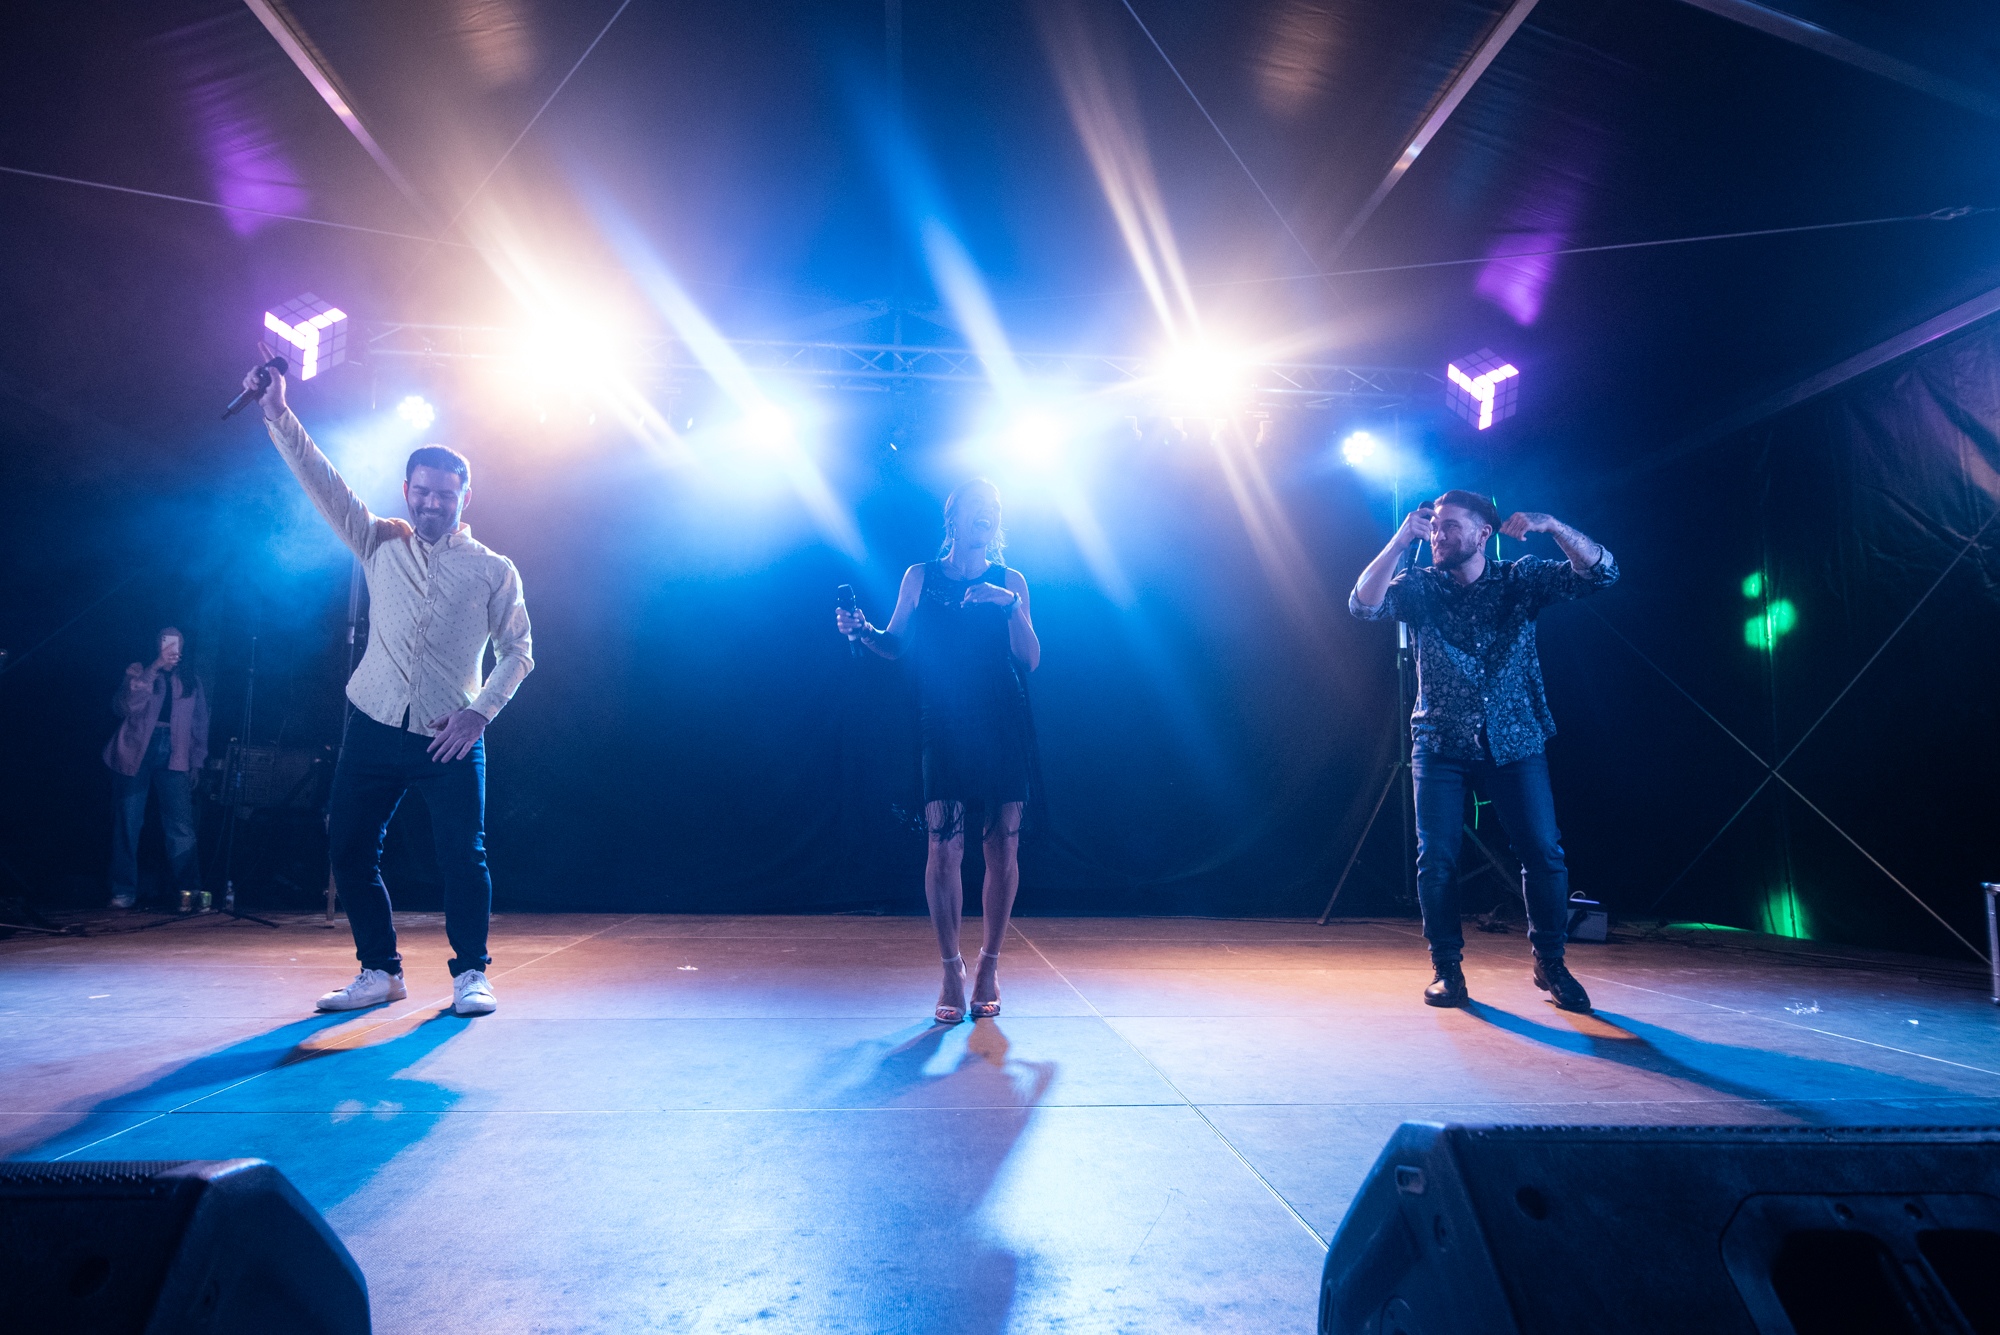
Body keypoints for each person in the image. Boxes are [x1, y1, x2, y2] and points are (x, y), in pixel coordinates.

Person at [244, 341, 533, 1017]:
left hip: (449, 735)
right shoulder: (378, 540)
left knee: (463, 856)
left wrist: (479, 714)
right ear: (408, 491)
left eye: (445, 495)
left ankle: (471, 973)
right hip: (372, 722)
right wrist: (279, 412)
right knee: (348, 846)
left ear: (464, 497)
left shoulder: (494, 569)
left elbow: (519, 651)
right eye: (422, 492)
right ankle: (380, 970)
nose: (432, 503)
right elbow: (322, 480)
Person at [1350, 490, 1618, 1013]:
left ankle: (1551, 963)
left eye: (1450, 525)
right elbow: (1363, 605)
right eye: (1434, 526)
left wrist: (1553, 524)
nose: (1438, 534)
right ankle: (1446, 969)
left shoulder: (1520, 578)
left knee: (1542, 853)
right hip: (1440, 742)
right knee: (1437, 859)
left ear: (1482, 535)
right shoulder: (1419, 585)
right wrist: (1400, 541)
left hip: (1515, 738)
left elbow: (1603, 573)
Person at [835, 479, 1042, 1024]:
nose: (987, 514)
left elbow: (1030, 659)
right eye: (978, 507)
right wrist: (862, 631)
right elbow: (895, 644)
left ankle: (989, 965)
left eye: (994, 508)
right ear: (953, 518)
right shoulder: (920, 577)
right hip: (943, 719)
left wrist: (1011, 606)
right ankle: (952, 969)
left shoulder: (1011, 582)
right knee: (943, 849)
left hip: (1000, 718)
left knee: (1002, 851)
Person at [104, 627, 208, 909]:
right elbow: (125, 707)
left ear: (183, 646)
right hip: (135, 751)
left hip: (176, 753)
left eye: (176, 642)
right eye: (165, 640)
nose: (171, 647)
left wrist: (197, 761)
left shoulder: (191, 680)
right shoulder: (139, 671)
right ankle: (123, 891)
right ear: (157, 644)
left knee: (181, 826)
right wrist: (154, 668)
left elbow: (200, 723)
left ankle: (189, 891)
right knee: (128, 822)